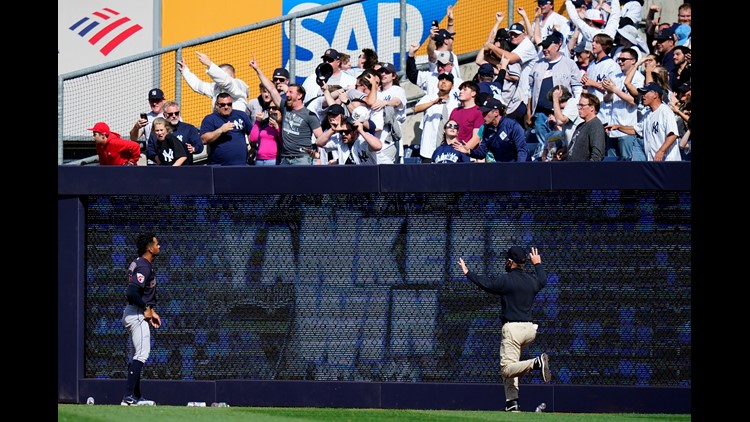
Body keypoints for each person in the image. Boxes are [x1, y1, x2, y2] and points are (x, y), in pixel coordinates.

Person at [456, 246, 550, 412]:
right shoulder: (532, 280)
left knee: (506, 369)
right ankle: (512, 403)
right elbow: (543, 280)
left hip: (513, 329)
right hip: (529, 330)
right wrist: (538, 264)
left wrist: (467, 273)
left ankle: (537, 363)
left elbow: (487, 284)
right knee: (512, 365)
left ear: (511, 262)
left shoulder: (506, 280)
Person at [526, 31, 583, 161]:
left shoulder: (569, 63)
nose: (544, 49)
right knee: (544, 147)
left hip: (561, 113)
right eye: (543, 47)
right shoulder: (537, 64)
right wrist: (529, 112)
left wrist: (577, 106)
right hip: (540, 113)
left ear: (557, 46)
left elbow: (577, 87)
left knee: (561, 145)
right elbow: (530, 89)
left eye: (547, 46)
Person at [121, 232, 162, 406]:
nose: (159, 246)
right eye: (156, 243)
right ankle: (128, 397)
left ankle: (135, 397)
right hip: (137, 313)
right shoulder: (144, 266)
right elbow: (131, 292)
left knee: (136, 357)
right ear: (149, 248)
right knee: (142, 354)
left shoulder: (139, 263)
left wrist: (151, 311)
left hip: (135, 312)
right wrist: (146, 308)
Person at [607, 82, 680, 161]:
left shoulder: (665, 111)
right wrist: (618, 127)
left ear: (655, 95)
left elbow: (673, 135)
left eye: (645, 93)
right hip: (654, 161)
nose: (643, 96)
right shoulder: (647, 114)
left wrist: (661, 151)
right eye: (642, 93)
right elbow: (635, 130)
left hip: (669, 161)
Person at [454, 97, 528, 162]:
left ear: (496, 112)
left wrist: (519, 170)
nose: (483, 116)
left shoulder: (512, 126)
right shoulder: (487, 129)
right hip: (502, 169)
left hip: (517, 168)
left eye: (485, 113)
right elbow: (482, 153)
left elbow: (522, 151)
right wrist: (469, 151)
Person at [177, 51, 250, 113]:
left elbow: (226, 82)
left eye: (221, 73)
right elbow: (197, 85)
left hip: (237, 126)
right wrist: (185, 71)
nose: (217, 78)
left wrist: (209, 64)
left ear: (231, 75)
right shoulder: (216, 87)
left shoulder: (238, 84)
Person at [413, 73, 460, 163]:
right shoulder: (429, 98)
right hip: (428, 149)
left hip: (448, 151)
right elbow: (416, 109)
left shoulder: (455, 103)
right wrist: (433, 102)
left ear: (452, 86)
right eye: (441, 79)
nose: (443, 82)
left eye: (447, 80)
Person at [199, 92, 253, 166]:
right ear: (217, 105)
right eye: (223, 105)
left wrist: (253, 147)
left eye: (229, 104)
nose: (226, 107)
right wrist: (220, 130)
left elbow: (250, 133)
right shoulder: (210, 119)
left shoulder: (241, 115)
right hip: (219, 166)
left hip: (241, 165)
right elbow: (204, 139)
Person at [146, 100, 204, 165]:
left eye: (176, 113)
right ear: (164, 115)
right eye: (170, 114)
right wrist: (158, 160)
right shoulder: (159, 130)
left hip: (185, 168)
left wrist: (194, 148)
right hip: (165, 168)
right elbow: (150, 150)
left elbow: (199, 146)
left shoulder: (189, 129)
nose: (174, 116)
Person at [565, 92, 605, 161]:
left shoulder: (595, 125)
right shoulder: (580, 126)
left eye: (582, 105)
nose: (579, 108)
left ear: (592, 108)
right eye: (579, 105)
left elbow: (597, 154)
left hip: (583, 169)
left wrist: (588, 170)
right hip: (571, 168)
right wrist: (565, 152)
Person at [129, 88, 166, 163]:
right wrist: (136, 127)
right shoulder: (146, 118)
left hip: (169, 157)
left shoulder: (171, 115)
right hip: (152, 159)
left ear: (163, 100)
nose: (154, 103)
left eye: (157, 100)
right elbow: (133, 138)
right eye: (152, 101)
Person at [427, 5, 461, 80]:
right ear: (446, 41)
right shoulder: (436, 55)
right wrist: (432, 38)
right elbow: (430, 51)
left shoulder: (450, 54)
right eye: (450, 39)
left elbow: (450, 35)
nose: (452, 40)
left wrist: (450, 21)